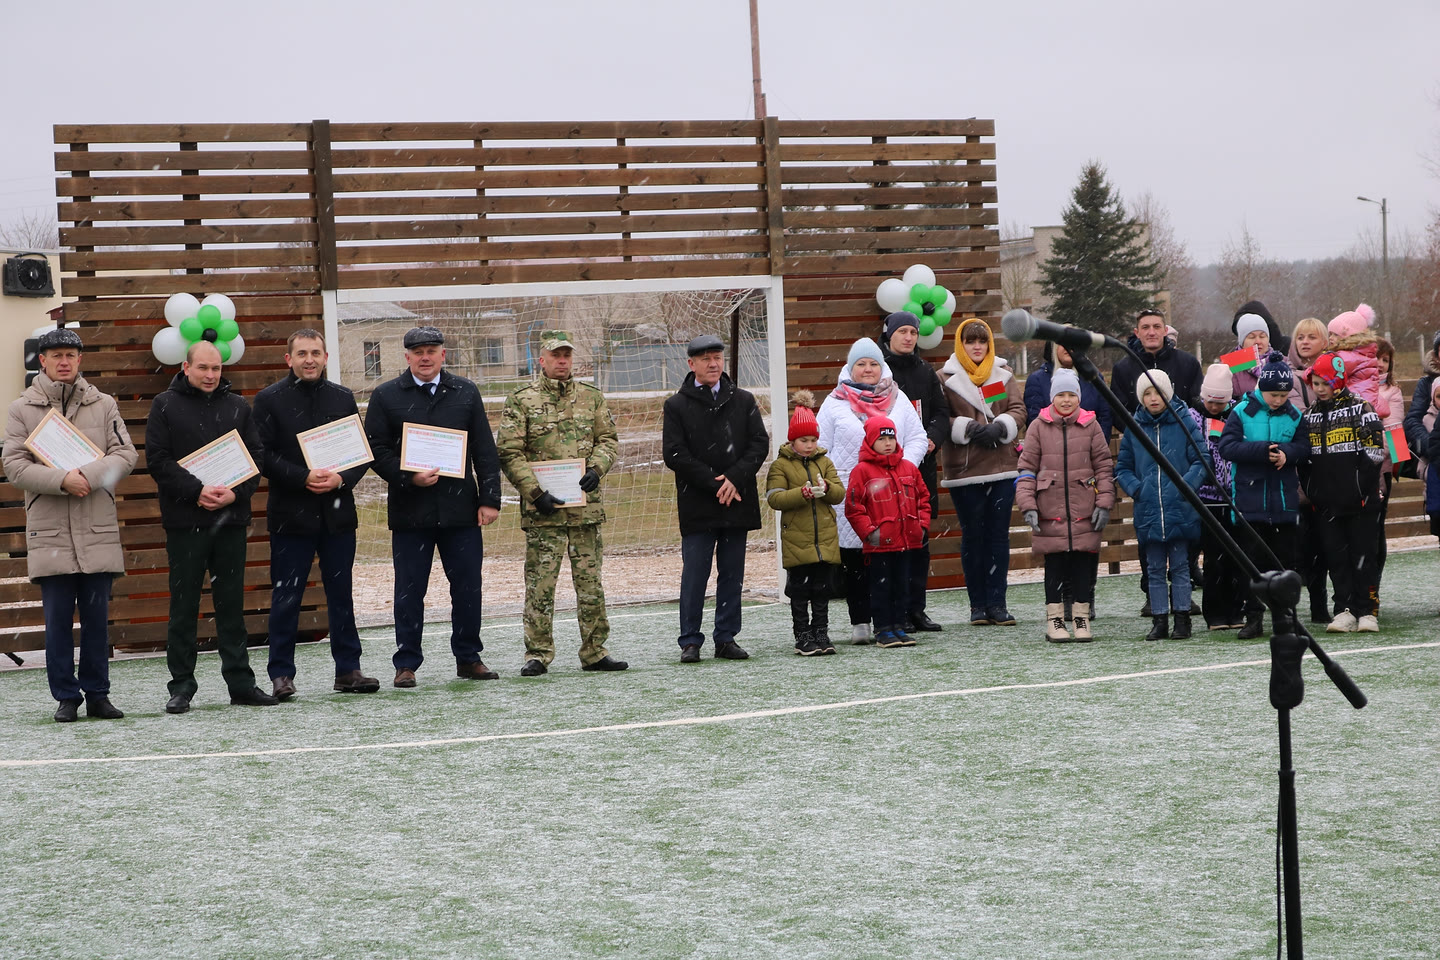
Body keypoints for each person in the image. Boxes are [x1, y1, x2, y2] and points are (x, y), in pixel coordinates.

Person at [2, 328, 136, 722]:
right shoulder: (21, 409)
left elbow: (125, 455)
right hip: (50, 534)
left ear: (80, 360)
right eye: (56, 354)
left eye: (71, 355)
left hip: (96, 530)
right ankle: (66, 696)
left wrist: (87, 476)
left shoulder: (104, 404)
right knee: (57, 622)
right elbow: (13, 466)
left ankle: (98, 694)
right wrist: (61, 480)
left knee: (97, 622)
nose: (64, 361)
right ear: (41, 360)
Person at [364, 326, 503, 687]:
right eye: (418, 351)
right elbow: (375, 449)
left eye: (432, 350)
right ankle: (406, 662)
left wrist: (489, 499)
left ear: (444, 354)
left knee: (468, 587)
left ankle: (468, 657)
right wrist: (408, 476)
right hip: (411, 511)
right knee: (410, 590)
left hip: (461, 510)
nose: (425, 357)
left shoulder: (466, 392)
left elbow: (484, 450)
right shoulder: (386, 395)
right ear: (406, 356)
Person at [146, 341, 274, 713]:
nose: (210, 375)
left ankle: (241, 684)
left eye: (216, 369)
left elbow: (256, 457)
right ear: (186, 367)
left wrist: (235, 495)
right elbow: (158, 460)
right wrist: (197, 491)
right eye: (203, 368)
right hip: (185, 523)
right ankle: (182, 686)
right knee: (183, 607)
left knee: (231, 606)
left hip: (230, 521)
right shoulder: (164, 405)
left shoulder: (238, 406)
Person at [252, 328, 378, 700]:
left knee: (342, 595)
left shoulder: (342, 397)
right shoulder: (269, 400)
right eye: (302, 353)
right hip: (292, 516)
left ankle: (348, 670)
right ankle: (281, 674)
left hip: (338, 517)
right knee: (286, 597)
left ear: (325, 358)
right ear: (288, 359)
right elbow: (262, 456)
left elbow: (361, 452)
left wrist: (342, 478)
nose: (310, 359)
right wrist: (302, 477)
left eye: (316, 353)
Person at [496, 330, 626, 676]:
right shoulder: (522, 400)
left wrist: (597, 469)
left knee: (590, 584)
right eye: (555, 355)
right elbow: (509, 451)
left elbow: (609, 440)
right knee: (540, 585)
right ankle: (537, 653)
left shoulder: (591, 397)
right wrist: (535, 493)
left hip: (585, 511)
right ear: (542, 359)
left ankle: (595, 651)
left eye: (567, 355)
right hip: (544, 512)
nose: (562, 361)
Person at [662, 334, 770, 663]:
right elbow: (674, 454)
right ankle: (690, 641)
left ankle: (726, 637)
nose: (713, 363)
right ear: (691, 364)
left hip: (736, 499)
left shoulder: (744, 400)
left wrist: (735, 479)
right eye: (705, 358)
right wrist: (714, 483)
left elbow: (759, 444)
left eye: (717, 357)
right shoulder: (676, 405)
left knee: (732, 573)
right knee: (695, 573)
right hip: (698, 502)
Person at [817, 337, 928, 643]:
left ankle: (894, 621)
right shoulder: (834, 402)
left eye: (873, 364)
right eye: (861, 364)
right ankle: (860, 623)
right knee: (856, 562)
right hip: (852, 496)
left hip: (893, 497)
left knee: (891, 563)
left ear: (883, 367)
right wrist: (830, 480)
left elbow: (918, 436)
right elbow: (820, 446)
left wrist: (899, 466)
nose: (868, 370)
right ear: (850, 368)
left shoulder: (898, 399)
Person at [1109, 309, 1203, 617]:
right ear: (1136, 332)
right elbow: (1118, 410)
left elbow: (1196, 407)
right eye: (1145, 327)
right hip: (1145, 462)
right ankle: (1154, 600)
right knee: (1150, 544)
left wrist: (1186, 481)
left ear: (1165, 330)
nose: (1151, 332)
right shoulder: (1124, 368)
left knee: (1182, 545)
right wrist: (1144, 442)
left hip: (1180, 464)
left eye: (1156, 327)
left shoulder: (1187, 364)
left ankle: (1183, 600)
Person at [1016, 369, 1114, 642]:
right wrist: (1028, 505)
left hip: (1085, 508)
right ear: (1052, 398)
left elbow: (1104, 468)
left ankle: (1081, 618)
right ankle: (1055, 620)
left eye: (1072, 394)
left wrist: (1104, 503)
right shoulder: (1038, 426)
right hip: (1050, 509)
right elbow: (1026, 469)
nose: (1067, 400)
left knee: (1084, 566)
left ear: (1079, 397)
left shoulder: (1091, 425)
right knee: (1055, 567)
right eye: (1061, 395)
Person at [939, 320, 1027, 626]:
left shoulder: (1002, 374)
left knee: (998, 537)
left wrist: (1001, 425)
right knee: (973, 536)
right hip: (965, 471)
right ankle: (977, 604)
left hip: (1002, 468)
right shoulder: (944, 377)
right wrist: (968, 428)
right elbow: (940, 418)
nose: (977, 347)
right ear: (960, 345)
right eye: (970, 341)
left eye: (982, 341)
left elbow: (1018, 409)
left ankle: (998, 603)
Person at [1217, 353, 1308, 640]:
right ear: (1261, 389)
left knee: (1284, 563)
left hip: (1283, 503)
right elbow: (1227, 448)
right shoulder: (1242, 411)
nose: (1278, 400)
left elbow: (1304, 447)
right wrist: (1261, 451)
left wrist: (1287, 454)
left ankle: (1284, 615)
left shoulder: (1295, 416)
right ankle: (1253, 615)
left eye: (1283, 395)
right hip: (1249, 502)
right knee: (1251, 564)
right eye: (1273, 394)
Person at [1297, 353, 1386, 633]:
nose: (1319, 388)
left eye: (1325, 383)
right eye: (1315, 383)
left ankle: (1368, 610)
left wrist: (1361, 489)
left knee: (1364, 556)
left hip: (1361, 501)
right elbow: (1304, 461)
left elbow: (1374, 453)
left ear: (1337, 381)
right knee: (1336, 559)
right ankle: (1344, 609)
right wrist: (1314, 492)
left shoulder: (1362, 408)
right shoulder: (1308, 416)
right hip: (1326, 504)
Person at [1114, 370, 1205, 641]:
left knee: (1180, 566)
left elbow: (1202, 459)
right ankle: (1159, 619)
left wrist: (1185, 486)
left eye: (1158, 392)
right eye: (1147, 393)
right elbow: (1123, 467)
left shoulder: (1184, 421)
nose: (1154, 398)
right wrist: (1138, 489)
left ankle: (1182, 618)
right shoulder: (1135, 427)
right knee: (1153, 568)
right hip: (1149, 509)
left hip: (1180, 509)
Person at [880, 311, 950, 632]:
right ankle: (895, 612)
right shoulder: (880, 373)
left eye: (913, 332)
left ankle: (916, 609)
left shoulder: (926, 371)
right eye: (902, 332)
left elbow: (940, 413)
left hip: (921, 470)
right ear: (889, 335)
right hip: (888, 472)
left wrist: (932, 439)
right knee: (893, 543)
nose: (908, 337)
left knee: (919, 541)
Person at [765, 391, 844, 656]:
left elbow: (839, 494)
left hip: (824, 540)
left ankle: (821, 632)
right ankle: (802, 636)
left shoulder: (826, 462)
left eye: (813, 439)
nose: (809, 445)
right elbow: (774, 498)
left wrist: (827, 486)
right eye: (803, 440)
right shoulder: (780, 465)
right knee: (799, 592)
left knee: (822, 591)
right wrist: (803, 493)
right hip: (797, 541)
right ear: (793, 440)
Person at [843, 415, 931, 649]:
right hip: (880, 544)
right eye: (881, 438)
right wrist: (871, 533)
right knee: (882, 587)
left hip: (907, 542)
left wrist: (922, 526)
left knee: (903, 585)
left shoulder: (909, 468)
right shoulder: (862, 471)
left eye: (890, 438)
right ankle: (883, 628)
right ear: (870, 441)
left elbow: (923, 498)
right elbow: (854, 507)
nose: (887, 443)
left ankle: (899, 626)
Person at [1189, 364, 1246, 631]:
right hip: (1206, 498)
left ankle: (1236, 610)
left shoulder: (1237, 414)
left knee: (1237, 557)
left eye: (1220, 402)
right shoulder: (1191, 417)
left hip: (1233, 498)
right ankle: (1214, 615)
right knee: (1213, 559)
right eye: (1210, 401)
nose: (1214, 406)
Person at [1286, 317, 1332, 622]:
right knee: (1299, 546)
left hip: (1330, 471)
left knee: (1325, 545)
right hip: (1298, 472)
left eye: (1312, 337)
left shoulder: (1335, 375)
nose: (1305, 342)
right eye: (1300, 337)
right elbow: (1296, 420)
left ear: (1324, 342)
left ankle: (1321, 607)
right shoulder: (1288, 379)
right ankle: (1288, 609)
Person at [1023, 338, 1113, 440]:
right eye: (1062, 343)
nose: (1068, 347)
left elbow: (1105, 416)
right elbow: (1034, 419)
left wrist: (1096, 447)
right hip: (1050, 450)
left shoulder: (1093, 378)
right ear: (1053, 348)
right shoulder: (1037, 380)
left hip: (1088, 450)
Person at [1327, 304, 1385, 417]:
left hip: (1356, 406)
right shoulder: (1363, 352)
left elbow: (1324, 371)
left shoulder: (1345, 357)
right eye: (1330, 334)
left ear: (1348, 337)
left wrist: (1308, 372)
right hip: (1367, 398)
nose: (1330, 338)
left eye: (1335, 334)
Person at [1401, 332, 1440, 467]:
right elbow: (1412, 421)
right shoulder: (1426, 384)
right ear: (1436, 356)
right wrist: (1432, 447)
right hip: (1433, 458)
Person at [1229, 313, 1272, 399]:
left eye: (1262, 336)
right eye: (1251, 337)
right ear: (1242, 341)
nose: (1258, 341)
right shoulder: (1230, 366)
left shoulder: (1281, 362)